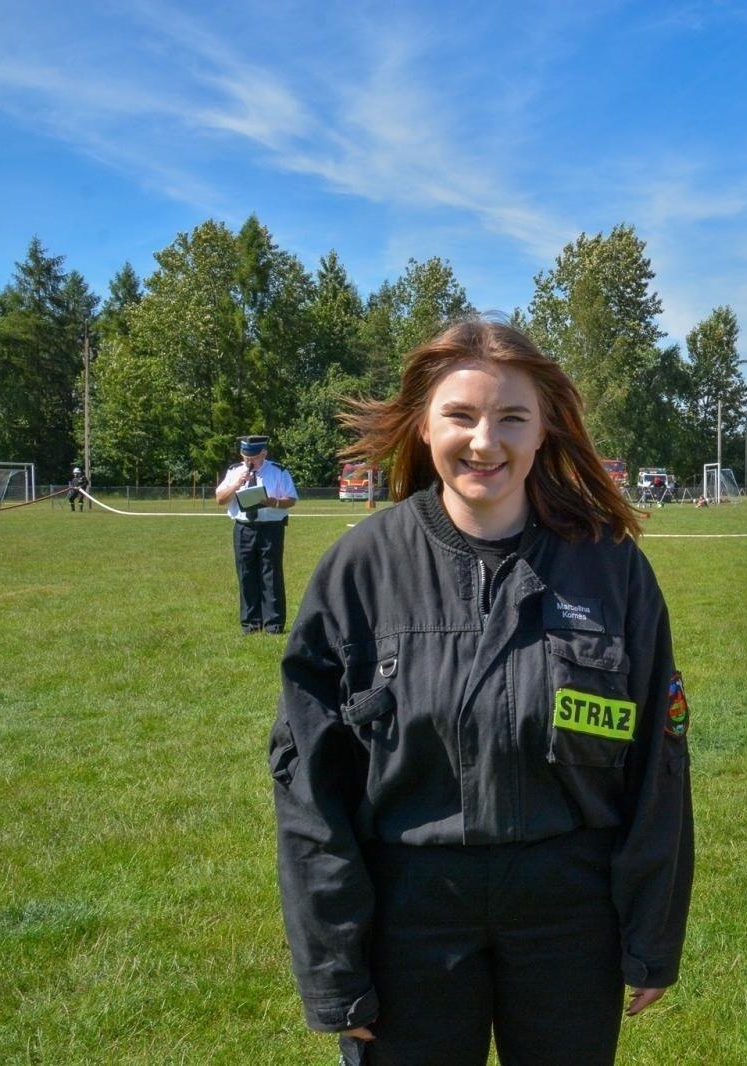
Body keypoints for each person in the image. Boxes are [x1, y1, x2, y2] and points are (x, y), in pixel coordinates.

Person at [270, 317, 693, 1066]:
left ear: (544, 431)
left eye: (511, 418)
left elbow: (658, 767)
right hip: (409, 917)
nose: (485, 442)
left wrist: (652, 932)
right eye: (460, 416)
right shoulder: (359, 572)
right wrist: (334, 961)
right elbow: (309, 784)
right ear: (422, 425)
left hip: (569, 913)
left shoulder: (610, 569)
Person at [214, 435, 298, 634]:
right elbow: (220, 499)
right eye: (245, 457)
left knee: (271, 574)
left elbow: (292, 499)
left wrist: (273, 502)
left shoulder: (278, 471)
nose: (248, 461)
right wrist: (236, 485)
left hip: (271, 527)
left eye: (253, 457)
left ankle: (273, 624)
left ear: (264, 453)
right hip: (244, 528)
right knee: (246, 574)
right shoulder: (235, 472)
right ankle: (250, 623)